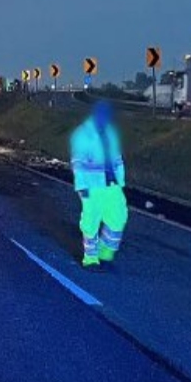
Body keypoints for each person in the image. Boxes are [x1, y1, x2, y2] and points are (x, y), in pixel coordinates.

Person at [70, 100, 128, 269]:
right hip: (92, 186)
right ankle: (90, 258)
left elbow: (117, 159)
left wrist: (120, 181)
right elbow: (78, 163)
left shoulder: (110, 132)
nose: (105, 119)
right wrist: (81, 186)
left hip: (111, 185)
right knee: (91, 221)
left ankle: (106, 250)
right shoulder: (83, 134)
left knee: (118, 216)